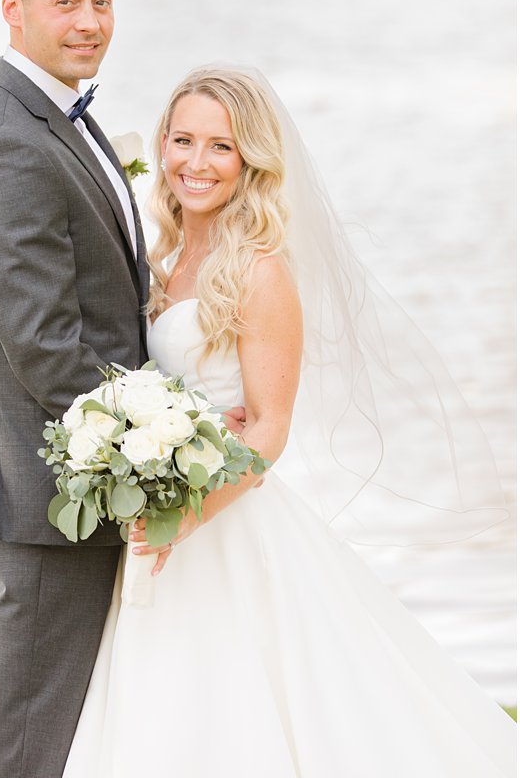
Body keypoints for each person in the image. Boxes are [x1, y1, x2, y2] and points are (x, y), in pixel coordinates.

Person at [62, 67, 515, 776]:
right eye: (182, 140)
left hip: (223, 521)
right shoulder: (166, 259)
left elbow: (269, 429)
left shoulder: (260, 271)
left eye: (220, 146)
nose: (195, 162)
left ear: (251, 161)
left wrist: (184, 517)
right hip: (162, 516)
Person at [0, 0, 247, 777]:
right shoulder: (5, 141)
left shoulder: (56, 117)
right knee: (31, 741)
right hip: (56, 497)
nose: (89, 21)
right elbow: (46, 349)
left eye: (102, 1)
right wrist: (160, 457)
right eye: (65, 1)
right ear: (13, 7)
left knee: (84, 728)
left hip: (80, 485)